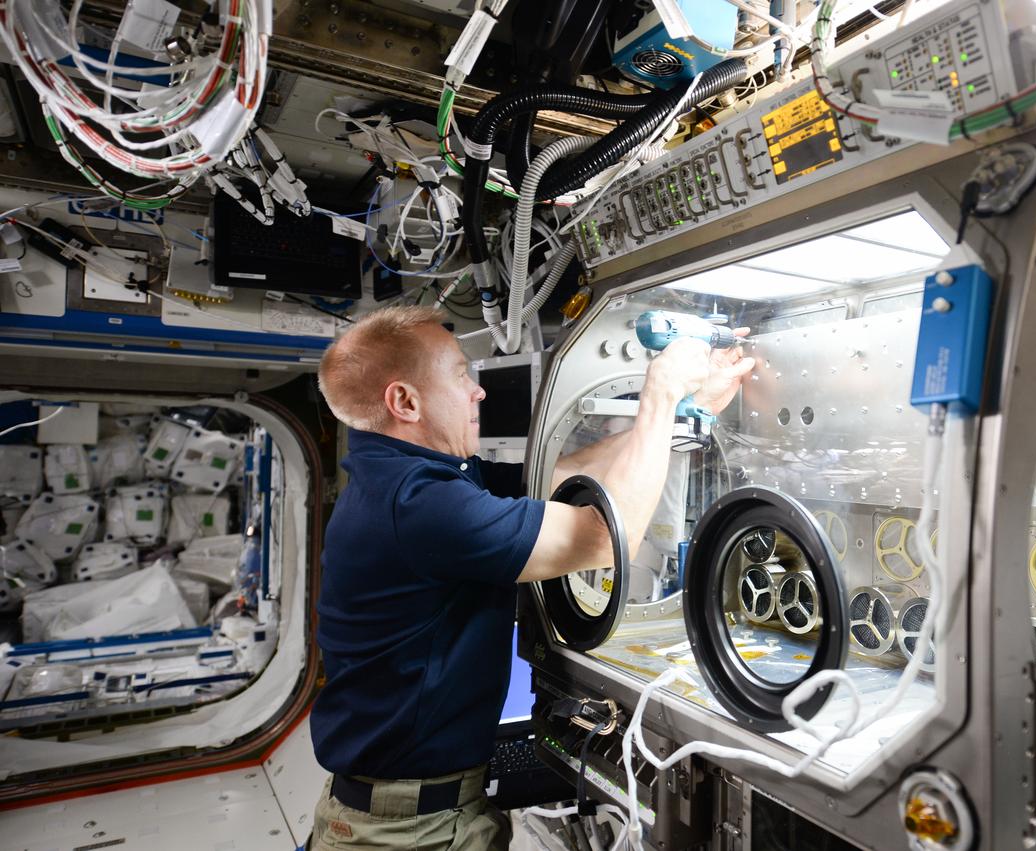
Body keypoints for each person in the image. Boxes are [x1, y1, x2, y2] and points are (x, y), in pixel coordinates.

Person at [308, 305, 754, 850]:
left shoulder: (409, 479)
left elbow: (557, 476)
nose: (478, 392)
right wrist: (659, 393)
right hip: (407, 833)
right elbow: (603, 541)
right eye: (460, 375)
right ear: (405, 401)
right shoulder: (420, 505)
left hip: (416, 811)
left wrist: (687, 412)